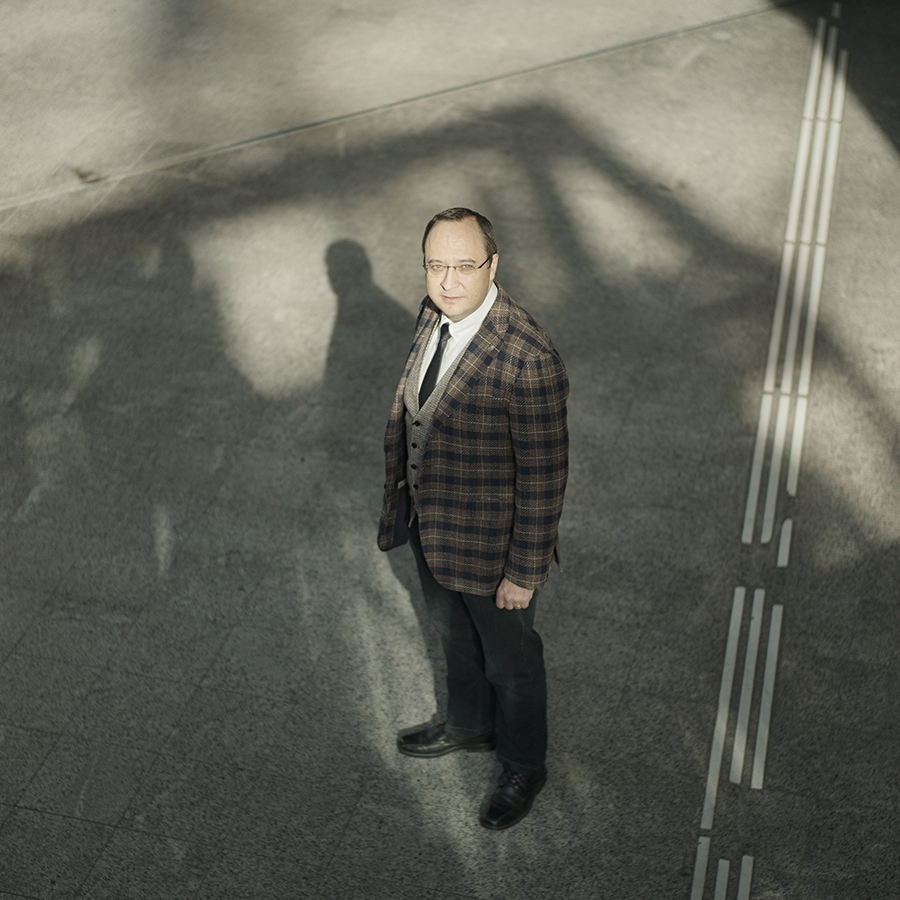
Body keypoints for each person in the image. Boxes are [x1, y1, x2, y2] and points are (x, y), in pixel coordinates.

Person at [378, 207, 569, 830]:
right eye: (438, 265)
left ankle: (522, 765)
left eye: (465, 265)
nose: (450, 280)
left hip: (494, 552)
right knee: (455, 639)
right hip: (433, 530)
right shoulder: (434, 313)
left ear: (494, 266)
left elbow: (543, 479)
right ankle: (467, 725)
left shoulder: (527, 357)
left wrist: (524, 573)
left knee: (513, 666)